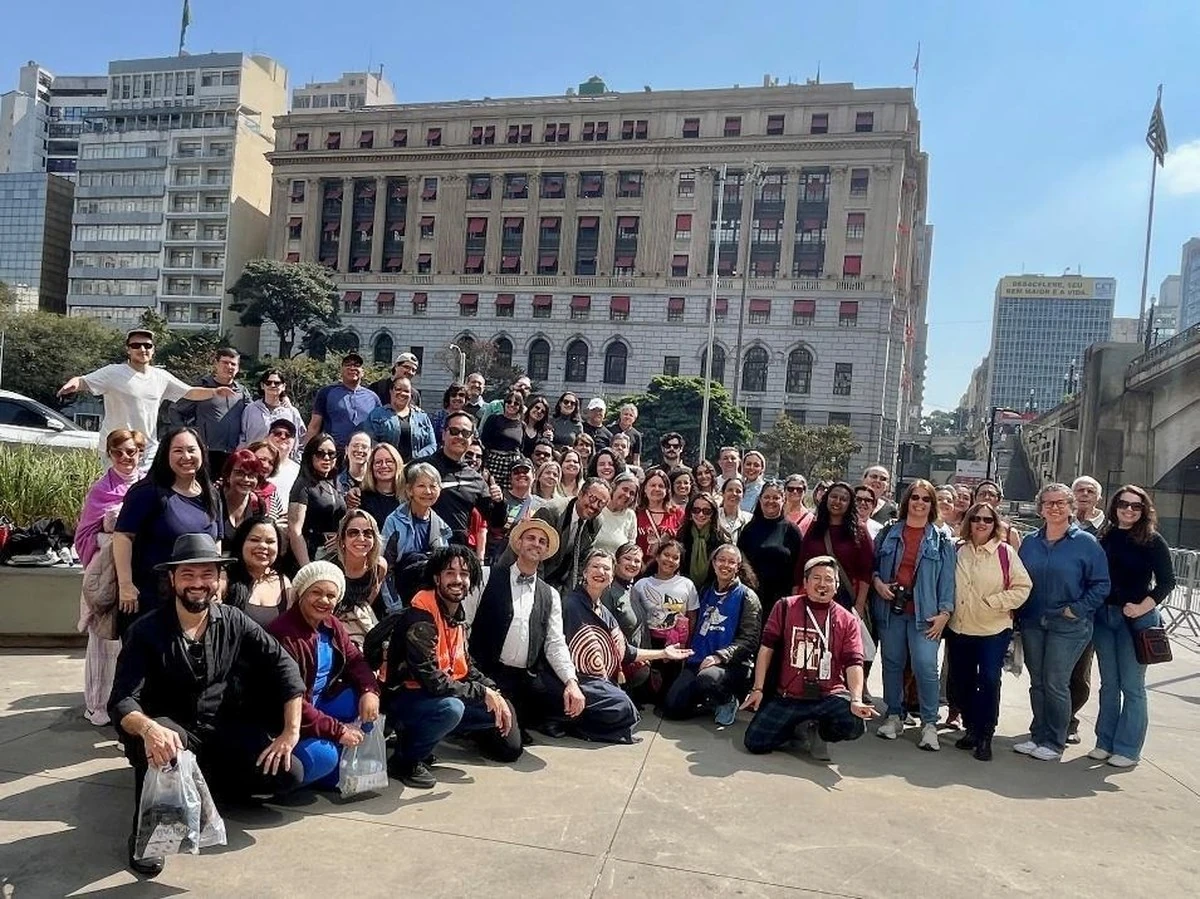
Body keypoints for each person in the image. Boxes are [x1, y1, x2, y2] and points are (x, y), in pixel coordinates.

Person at [109, 533, 305, 876]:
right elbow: (122, 699)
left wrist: (290, 732)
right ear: (172, 579)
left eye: (206, 575)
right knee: (166, 744)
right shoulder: (146, 631)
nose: (198, 584)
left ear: (218, 579)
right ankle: (148, 834)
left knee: (289, 773)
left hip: (220, 729)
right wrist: (149, 728)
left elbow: (283, 665)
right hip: (169, 733)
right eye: (188, 574)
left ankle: (209, 787)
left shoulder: (233, 620)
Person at [378, 546, 523, 788]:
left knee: (498, 709)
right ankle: (404, 761)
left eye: (464, 574)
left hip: (433, 695)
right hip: (403, 698)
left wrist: (494, 692)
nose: (458, 580)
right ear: (437, 578)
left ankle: (419, 741)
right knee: (451, 709)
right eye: (450, 573)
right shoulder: (421, 617)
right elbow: (432, 681)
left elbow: (465, 666)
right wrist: (481, 692)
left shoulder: (456, 613)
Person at [742, 556, 876, 758]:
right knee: (755, 742)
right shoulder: (785, 606)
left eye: (829, 579)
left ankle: (820, 732)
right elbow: (766, 648)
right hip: (789, 696)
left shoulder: (848, 620)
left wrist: (856, 699)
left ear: (837, 586)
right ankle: (795, 727)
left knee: (855, 722)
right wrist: (758, 688)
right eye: (816, 578)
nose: (822, 584)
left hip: (828, 696)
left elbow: (854, 662)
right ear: (805, 582)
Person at [1014, 483, 1110, 762]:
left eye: (1060, 503)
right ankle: (1038, 735)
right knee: (1038, 682)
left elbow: (1101, 584)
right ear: (1040, 508)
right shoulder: (1030, 542)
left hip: (1069, 625)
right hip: (1033, 621)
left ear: (1070, 507)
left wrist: (1076, 610)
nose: (1054, 507)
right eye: (1048, 503)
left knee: (1056, 682)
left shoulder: (1086, 543)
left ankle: (1055, 741)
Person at [465, 519, 586, 739]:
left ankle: (519, 720)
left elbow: (555, 643)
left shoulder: (550, 595)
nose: (536, 544)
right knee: (509, 749)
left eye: (542, 541)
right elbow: (464, 625)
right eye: (531, 538)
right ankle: (478, 725)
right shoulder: (486, 576)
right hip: (486, 674)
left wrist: (571, 682)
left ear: (546, 551)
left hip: (524, 680)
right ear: (518, 544)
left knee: (570, 700)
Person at [268, 561, 382, 788]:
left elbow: (355, 660)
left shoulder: (331, 624)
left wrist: (370, 691)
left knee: (362, 703)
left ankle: (334, 763)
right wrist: (338, 730)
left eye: (331, 595)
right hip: (288, 716)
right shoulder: (283, 634)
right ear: (301, 593)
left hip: (320, 702)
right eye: (316, 592)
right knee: (324, 758)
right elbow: (291, 700)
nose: (324, 600)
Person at [57, 328, 236, 470]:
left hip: (147, 449)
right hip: (117, 449)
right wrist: (72, 384)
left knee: (144, 495)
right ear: (128, 350)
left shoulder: (160, 376)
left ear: (153, 350)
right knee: (118, 496)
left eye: (147, 345)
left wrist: (214, 392)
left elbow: (189, 392)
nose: (142, 349)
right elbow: (83, 381)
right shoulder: (113, 372)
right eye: (136, 345)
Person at [561, 549, 692, 742]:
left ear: (612, 575)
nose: (601, 572)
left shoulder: (602, 609)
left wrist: (664, 653)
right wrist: (570, 683)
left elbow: (625, 651)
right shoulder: (571, 604)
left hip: (599, 677)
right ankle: (564, 721)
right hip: (573, 678)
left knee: (626, 710)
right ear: (585, 572)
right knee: (622, 707)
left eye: (606, 568)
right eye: (595, 567)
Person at [1091, 485, 1176, 768]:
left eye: (1136, 506)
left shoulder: (1152, 540)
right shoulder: (1105, 535)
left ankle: (1127, 749)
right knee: (1109, 685)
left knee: (1132, 686)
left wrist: (1141, 607)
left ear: (1144, 510)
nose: (1129, 510)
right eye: (1123, 504)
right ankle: (1104, 742)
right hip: (1105, 617)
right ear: (1114, 506)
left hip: (1136, 620)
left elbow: (1167, 582)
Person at [872, 479, 956, 751]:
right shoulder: (888, 532)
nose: (919, 503)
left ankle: (929, 723)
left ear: (932, 505)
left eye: (926, 499)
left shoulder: (941, 539)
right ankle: (894, 715)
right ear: (907, 500)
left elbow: (947, 580)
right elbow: (873, 567)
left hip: (926, 615)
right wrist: (878, 583)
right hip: (891, 611)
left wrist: (945, 613)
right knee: (892, 663)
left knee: (925, 666)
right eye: (915, 497)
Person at [113, 427, 222, 636]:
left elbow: (216, 542)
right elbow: (123, 536)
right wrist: (125, 584)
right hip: (151, 598)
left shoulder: (212, 494)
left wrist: (218, 581)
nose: (186, 457)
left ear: (202, 452)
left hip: (195, 599)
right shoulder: (147, 492)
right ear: (165, 454)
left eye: (191, 450)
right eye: (178, 451)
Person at [946, 502, 1032, 761]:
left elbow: (1023, 586)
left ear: (995, 524)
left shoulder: (1005, 552)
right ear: (968, 522)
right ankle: (971, 727)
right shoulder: (957, 549)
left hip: (993, 629)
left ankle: (985, 734)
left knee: (989, 680)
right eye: (976, 519)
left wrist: (994, 602)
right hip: (960, 628)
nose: (981, 523)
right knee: (961, 681)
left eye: (987, 519)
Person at [76, 429, 147, 725]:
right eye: (118, 452)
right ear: (109, 454)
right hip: (106, 576)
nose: (125, 457)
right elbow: (84, 535)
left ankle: (127, 704)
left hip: (138, 574)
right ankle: (97, 704)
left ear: (140, 452)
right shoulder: (100, 490)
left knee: (131, 644)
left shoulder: (148, 485)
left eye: (131, 451)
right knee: (102, 641)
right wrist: (112, 540)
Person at [663, 544, 762, 725]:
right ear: (714, 563)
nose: (726, 565)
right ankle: (708, 701)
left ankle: (727, 700)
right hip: (699, 661)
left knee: (707, 679)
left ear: (738, 566)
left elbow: (750, 641)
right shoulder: (705, 591)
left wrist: (719, 656)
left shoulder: (747, 596)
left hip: (730, 665)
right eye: (721, 560)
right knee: (672, 708)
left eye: (731, 562)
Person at [512, 478, 612, 592]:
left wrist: (569, 593)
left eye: (601, 503)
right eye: (592, 498)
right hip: (529, 573)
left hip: (560, 579)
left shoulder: (596, 521)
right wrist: (540, 591)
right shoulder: (552, 511)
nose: (594, 505)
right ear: (580, 494)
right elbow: (534, 553)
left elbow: (581, 561)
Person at [380, 461, 453, 612]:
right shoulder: (394, 521)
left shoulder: (441, 526)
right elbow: (385, 569)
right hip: (401, 599)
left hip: (431, 602)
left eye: (433, 486)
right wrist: (396, 608)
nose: (428, 491)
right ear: (409, 490)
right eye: (421, 486)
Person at [426, 411, 507, 546]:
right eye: (454, 431)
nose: (460, 436)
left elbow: (496, 522)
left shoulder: (476, 479)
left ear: (471, 438)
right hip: (421, 548)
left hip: (456, 551)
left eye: (465, 433)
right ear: (444, 434)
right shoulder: (421, 467)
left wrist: (499, 502)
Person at [795, 481, 874, 617]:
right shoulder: (815, 527)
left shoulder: (859, 531)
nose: (837, 501)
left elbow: (866, 571)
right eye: (833, 497)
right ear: (826, 499)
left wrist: (860, 604)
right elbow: (801, 562)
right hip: (813, 596)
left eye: (843, 499)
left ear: (850, 503)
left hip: (845, 600)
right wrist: (795, 595)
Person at [1065, 475, 1105, 742]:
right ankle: (1049, 720)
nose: (1085, 494)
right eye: (1080, 490)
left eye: (1091, 491)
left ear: (1098, 497)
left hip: (1088, 611)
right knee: (1051, 672)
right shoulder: (1061, 523)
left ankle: (1070, 721)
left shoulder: (1107, 530)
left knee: (1079, 672)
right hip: (1057, 607)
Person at [168, 347, 248, 476]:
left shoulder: (242, 392)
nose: (229, 367)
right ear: (216, 364)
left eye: (233, 364)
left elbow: (251, 415)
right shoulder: (202, 387)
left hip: (233, 453)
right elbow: (175, 410)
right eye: (225, 362)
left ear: (238, 368)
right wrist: (184, 435)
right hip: (205, 452)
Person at [736, 480, 803, 618]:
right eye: (766, 497)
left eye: (775, 498)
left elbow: (799, 565)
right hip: (752, 597)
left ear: (783, 500)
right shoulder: (749, 529)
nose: (770, 501)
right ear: (760, 500)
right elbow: (740, 562)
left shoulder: (792, 530)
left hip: (782, 598)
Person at [288, 434, 346, 568]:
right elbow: (295, 530)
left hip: (335, 555)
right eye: (320, 453)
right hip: (310, 554)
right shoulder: (303, 485)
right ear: (310, 456)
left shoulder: (336, 483)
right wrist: (306, 567)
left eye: (331, 454)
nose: (326, 458)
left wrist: (341, 536)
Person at [223, 515, 291, 627]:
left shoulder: (284, 582)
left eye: (270, 541)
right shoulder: (224, 578)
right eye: (254, 540)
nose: (263, 546)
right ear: (241, 543)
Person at [305, 353, 381, 450]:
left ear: (363, 372)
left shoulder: (373, 397)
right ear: (341, 370)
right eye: (348, 365)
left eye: (356, 365)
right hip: (333, 452)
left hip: (362, 452)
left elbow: (379, 429)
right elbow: (314, 426)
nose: (352, 368)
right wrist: (307, 452)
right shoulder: (326, 393)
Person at [333, 510, 386, 644]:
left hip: (362, 620)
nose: (361, 538)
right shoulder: (330, 569)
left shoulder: (379, 566)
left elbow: (368, 601)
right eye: (353, 533)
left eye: (368, 533)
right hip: (333, 624)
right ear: (342, 539)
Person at [633, 539, 700, 636]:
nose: (670, 560)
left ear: (679, 563)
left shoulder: (687, 584)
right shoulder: (641, 584)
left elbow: (692, 618)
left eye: (675, 558)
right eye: (666, 555)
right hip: (647, 641)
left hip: (678, 642)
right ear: (657, 557)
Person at [368, 377, 436, 461]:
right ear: (391, 391)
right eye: (398, 389)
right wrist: (390, 457)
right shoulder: (377, 415)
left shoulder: (422, 417)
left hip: (415, 466)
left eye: (406, 391)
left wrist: (416, 459)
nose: (402, 393)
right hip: (386, 465)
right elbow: (370, 441)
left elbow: (432, 445)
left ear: (411, 394)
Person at [240, 368, 305, 455]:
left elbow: (302, 439)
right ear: (262, 386)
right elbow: (242, 437)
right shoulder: (250, 410)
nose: (272, 385)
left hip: (283, 460)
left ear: (283, 386)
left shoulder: (292, 412)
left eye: (277, 383)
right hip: (255, 459)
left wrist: (296, 458)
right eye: (268, 382)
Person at [483, 458, 536, 564]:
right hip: (498, 556)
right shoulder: (499, 497)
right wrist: (498, 503)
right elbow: (494, 524)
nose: (521, 475)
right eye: (516, 472)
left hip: (525, 558)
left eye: (525, 471)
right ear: (510, 478)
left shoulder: (540, 504)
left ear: (534, 476)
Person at [677, 493, 730, 585]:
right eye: (696, 510)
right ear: (690, 512)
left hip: (713, 586)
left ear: (713, 514)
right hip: (685, 585)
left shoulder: (722, 538)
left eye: (707, 511)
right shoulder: (682, 534)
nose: (701, 514)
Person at [479, 388, 527, 487]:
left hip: (511, 465)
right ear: (504, 403)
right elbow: (484, 443)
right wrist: (484, 466)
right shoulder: (493, 419)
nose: (512, 405)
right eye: (509, 402)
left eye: (516, 403)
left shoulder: (522, 425)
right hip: (493, 462)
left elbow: (521, 448)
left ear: (520, 407)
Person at [218, 449, 272, 533]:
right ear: (228, 475)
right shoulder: (213, 500)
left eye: (252, 475)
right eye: (240, 473)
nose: (246, 479)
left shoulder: (258, 506)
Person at [354, 442, 405, 528]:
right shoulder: (360, 498)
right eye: (378, 462)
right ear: (371, 467)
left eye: (389, 461)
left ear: (397, 464)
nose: (384, 466)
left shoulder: (408, 496)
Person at [635, 468, 684, 558]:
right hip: (640, 564)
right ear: (645, 489)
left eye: (661, 486)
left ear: (667, 490)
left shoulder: (677, 513)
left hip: (668, 564)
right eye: (653, 485)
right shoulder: (636, 513)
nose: (657, 489)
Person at [594, 471, 639, 554]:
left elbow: (630, 548)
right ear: (614, 487)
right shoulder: (597, 507)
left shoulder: (630, 515)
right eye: (625, 489)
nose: (627, 495)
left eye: (632, 493)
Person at [247, 441, 288, 525]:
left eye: (271, 463)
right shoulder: (238, 486)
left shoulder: (272, 492)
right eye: (262, 459)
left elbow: (279, 518)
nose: (266, 465)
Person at [972, 480, 1022, 549]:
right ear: (975, 499)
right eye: (982, 494)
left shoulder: (1010, 533)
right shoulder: (965, 528)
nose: (986, 497)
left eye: (991, 495)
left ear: (999, 500)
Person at [264, 420, 301, 501]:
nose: (283, 437)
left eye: (288, 435)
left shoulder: (299, 471)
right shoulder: (258, 464)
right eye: (278, 433)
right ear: (267, 437)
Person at [430, 383, 468, 448]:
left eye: (461, 395)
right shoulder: (437, 417)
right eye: (453, 395)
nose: (457, 398)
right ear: (448, 398)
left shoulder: (468, 419)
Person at [336, 431, 372, 496]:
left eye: (364, 447)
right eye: (355, 446)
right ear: (346, 450)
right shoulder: (337, 483)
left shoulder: (377, 480)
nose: (359, 450)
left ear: (371, 452)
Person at [718, 476, 752, 540]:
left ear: (743, 495)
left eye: (738, 491)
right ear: (723, 493)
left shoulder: (749, 519)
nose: (734, 493)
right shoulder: (714, 516)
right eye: (730, 490)